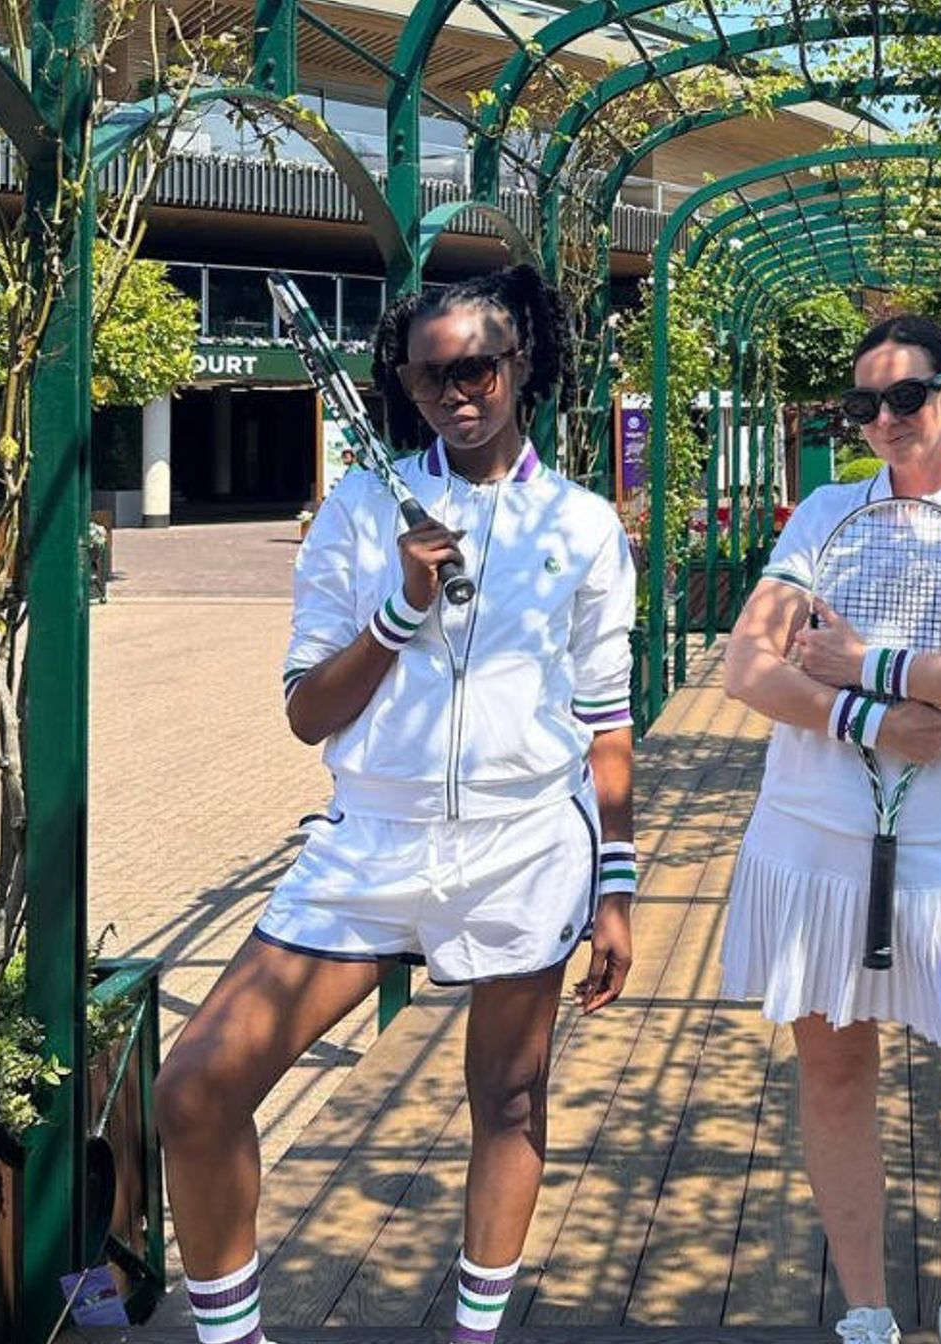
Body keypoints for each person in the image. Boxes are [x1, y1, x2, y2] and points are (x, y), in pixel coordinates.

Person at [156, 264, 639, 1344]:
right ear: (406, 389)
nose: (457, 389)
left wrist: (617, 886)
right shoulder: (359, 512)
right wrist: (400, 605)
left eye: (478, 365)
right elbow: (306, 714)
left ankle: (474, 1333)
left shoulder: (585, 525)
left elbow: (607, 723)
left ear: (523, 367)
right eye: (431, 377)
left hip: (524, 848)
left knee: (508, 1102)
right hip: (368, 848)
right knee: (195, 1086)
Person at [720, 315, 941, 1344]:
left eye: (906, 398)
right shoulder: (827, 513)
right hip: (810, 834)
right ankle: (867, 1315)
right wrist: (866, 719)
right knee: (835, 1077)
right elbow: (750, 666)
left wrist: (870, 665)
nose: (883, 421)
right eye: (862, 405)